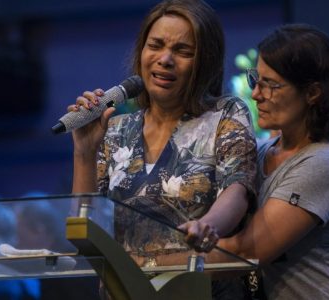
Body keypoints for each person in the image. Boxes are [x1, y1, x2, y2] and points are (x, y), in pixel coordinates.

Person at [67, 0, 256, 298]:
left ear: (204, 61)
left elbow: (238, 190)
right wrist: (84, 152)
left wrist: (207, 226)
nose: (165, 59)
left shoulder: (225, 114)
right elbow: (86, 229)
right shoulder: (115, 129)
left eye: (183, 52)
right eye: (155, 45)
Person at [181, 24, 329, 299]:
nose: (256, 94)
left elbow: (245, 252)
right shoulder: (263, 151)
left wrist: (147, 264)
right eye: (257, 80)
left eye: (271, 85)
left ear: (313, 93)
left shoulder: (324, 163)